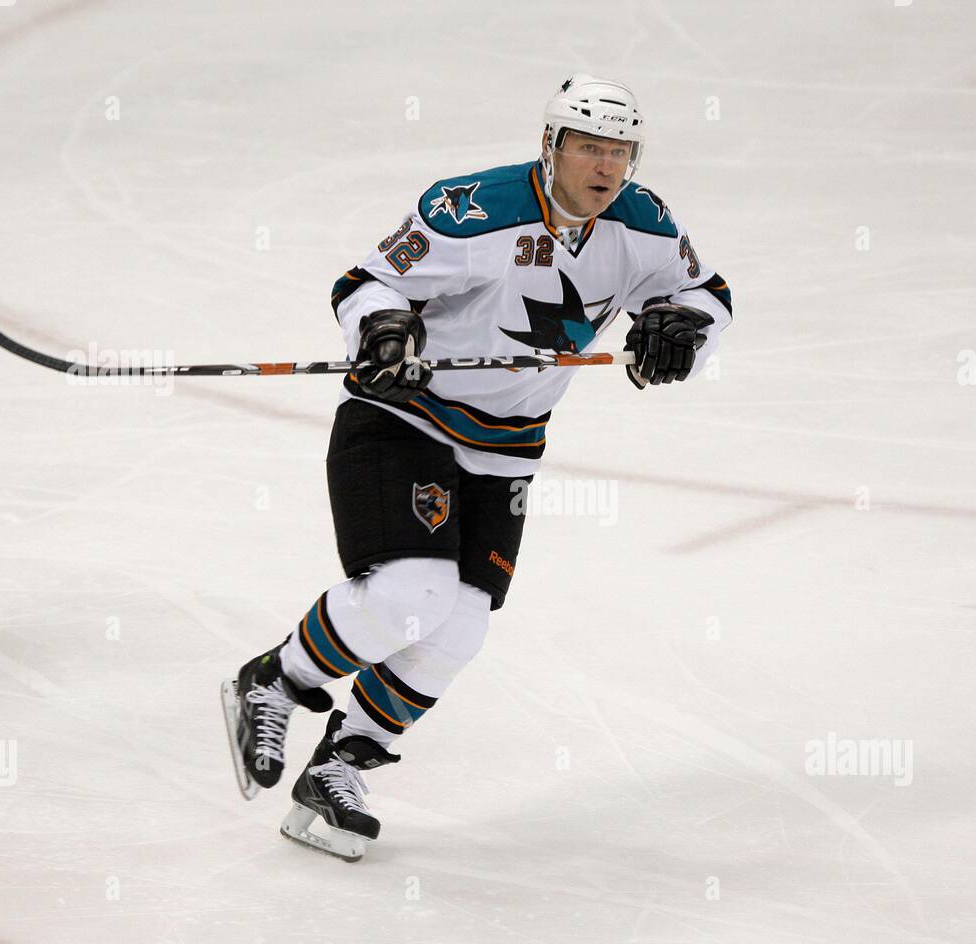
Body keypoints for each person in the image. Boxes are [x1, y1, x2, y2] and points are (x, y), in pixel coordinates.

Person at [221, 73, 733, 860]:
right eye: (589, 148)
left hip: (506, 448)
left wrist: (680, 330)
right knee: (410, 593)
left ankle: (339, 765)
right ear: (550, 145)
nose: (605, 166)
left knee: (460, 623)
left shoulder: (645, 223)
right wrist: (386, 331)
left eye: (619, 151)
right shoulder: (472, 210)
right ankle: (275, 679)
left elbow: (705, 294)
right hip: (403, 421)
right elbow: (368, 284)